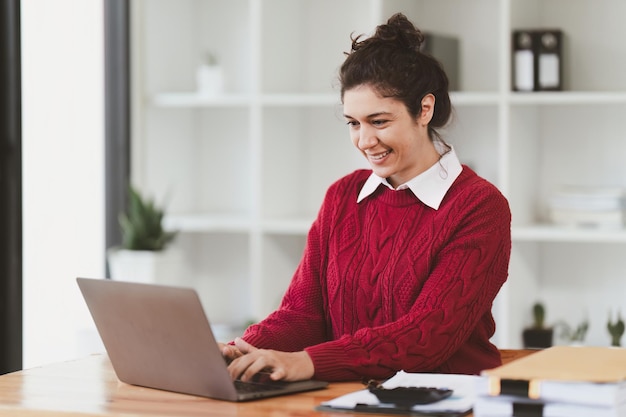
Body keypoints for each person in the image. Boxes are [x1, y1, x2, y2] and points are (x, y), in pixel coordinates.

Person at [221, 12, 511, 383]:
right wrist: (241, 350)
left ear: (425, 109)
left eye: (379, 122)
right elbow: (302, 314)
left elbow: (428, 336)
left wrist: (308, 363)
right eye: (353, 123)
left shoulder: (478, 207)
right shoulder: (343, 196)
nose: (364, 141)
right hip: (345, 397)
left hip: (442, 400)